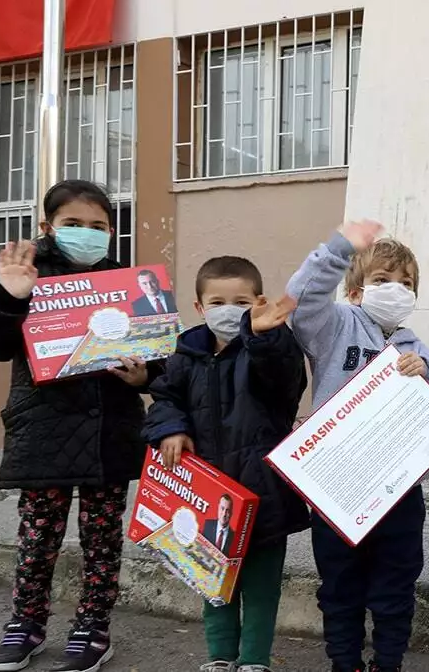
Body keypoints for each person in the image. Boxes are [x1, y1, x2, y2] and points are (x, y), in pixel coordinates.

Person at [0, 179, 162, 672]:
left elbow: (158, 358)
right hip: (43, 428)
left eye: (98, 226)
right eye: (74, 225)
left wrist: (145, 376)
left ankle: (93, 628)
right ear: (48, 226)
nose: (86, 234)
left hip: (109, 431)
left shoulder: (127, 280)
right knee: (38, 535)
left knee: (102, 536)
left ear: (112, 231)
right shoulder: (23, 273)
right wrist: (9, 296)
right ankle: (25, 627)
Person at [285, 220, 429, 672]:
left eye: (406, 283)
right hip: (338, 487)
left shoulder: (419, 349)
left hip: (398, 492)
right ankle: (345, 662)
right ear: (357, 290)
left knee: (395, 585)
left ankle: (388, 662)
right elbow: (301, 300)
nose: (395, 290)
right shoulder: (335, 327)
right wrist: (339, 248)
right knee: (340, 585)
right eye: (382, 281)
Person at [143, 255, 309, 672]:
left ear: (258, 302)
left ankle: (254, 660)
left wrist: (267, 337)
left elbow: (286, 378)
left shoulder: (268, 346)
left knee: (261, 583)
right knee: (212, 579)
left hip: (263, 489)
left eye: (239, 301)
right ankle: (220, 657)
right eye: (216, 302)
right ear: (199, 308)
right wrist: (170, 429)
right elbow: (165, 396)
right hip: (205, 493)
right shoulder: (185, 352)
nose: (227, 310)